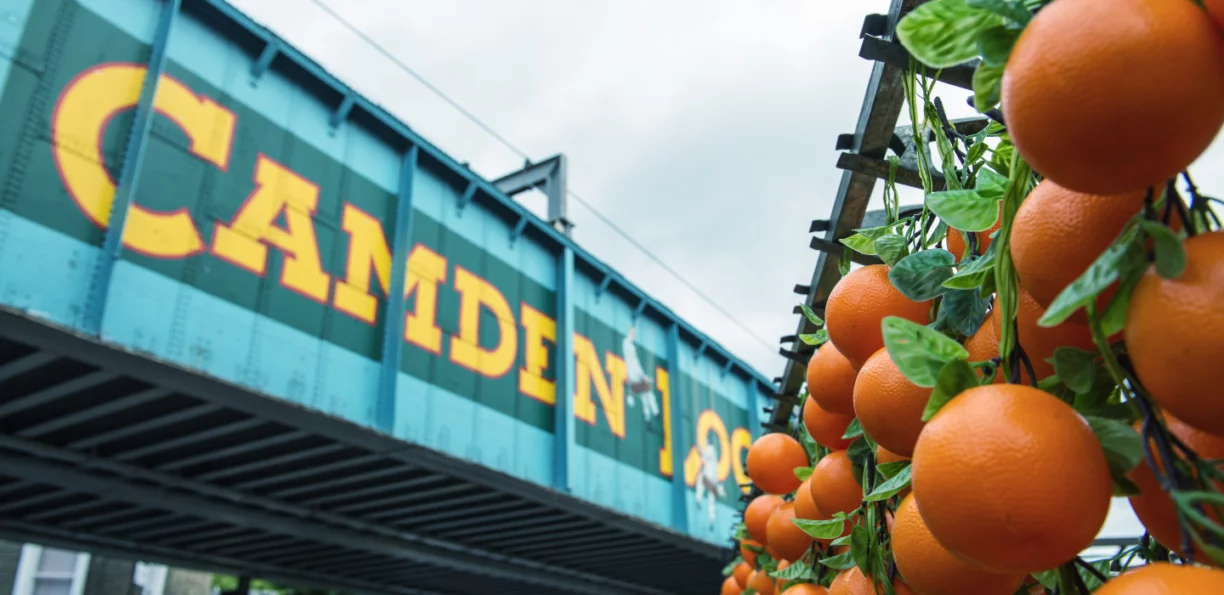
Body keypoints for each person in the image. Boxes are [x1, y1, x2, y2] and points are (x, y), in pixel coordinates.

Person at [622, 326, 659, 423]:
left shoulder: (628, 346)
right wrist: (644, 377)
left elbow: (635, 364)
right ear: (630, 333)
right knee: (648, 394)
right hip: (634, 377)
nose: (634, 336)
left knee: (645, 396)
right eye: (633, 334)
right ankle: (654, 413)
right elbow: (634, 364)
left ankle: (648, 417)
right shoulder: (628, 346)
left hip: (634, 379)